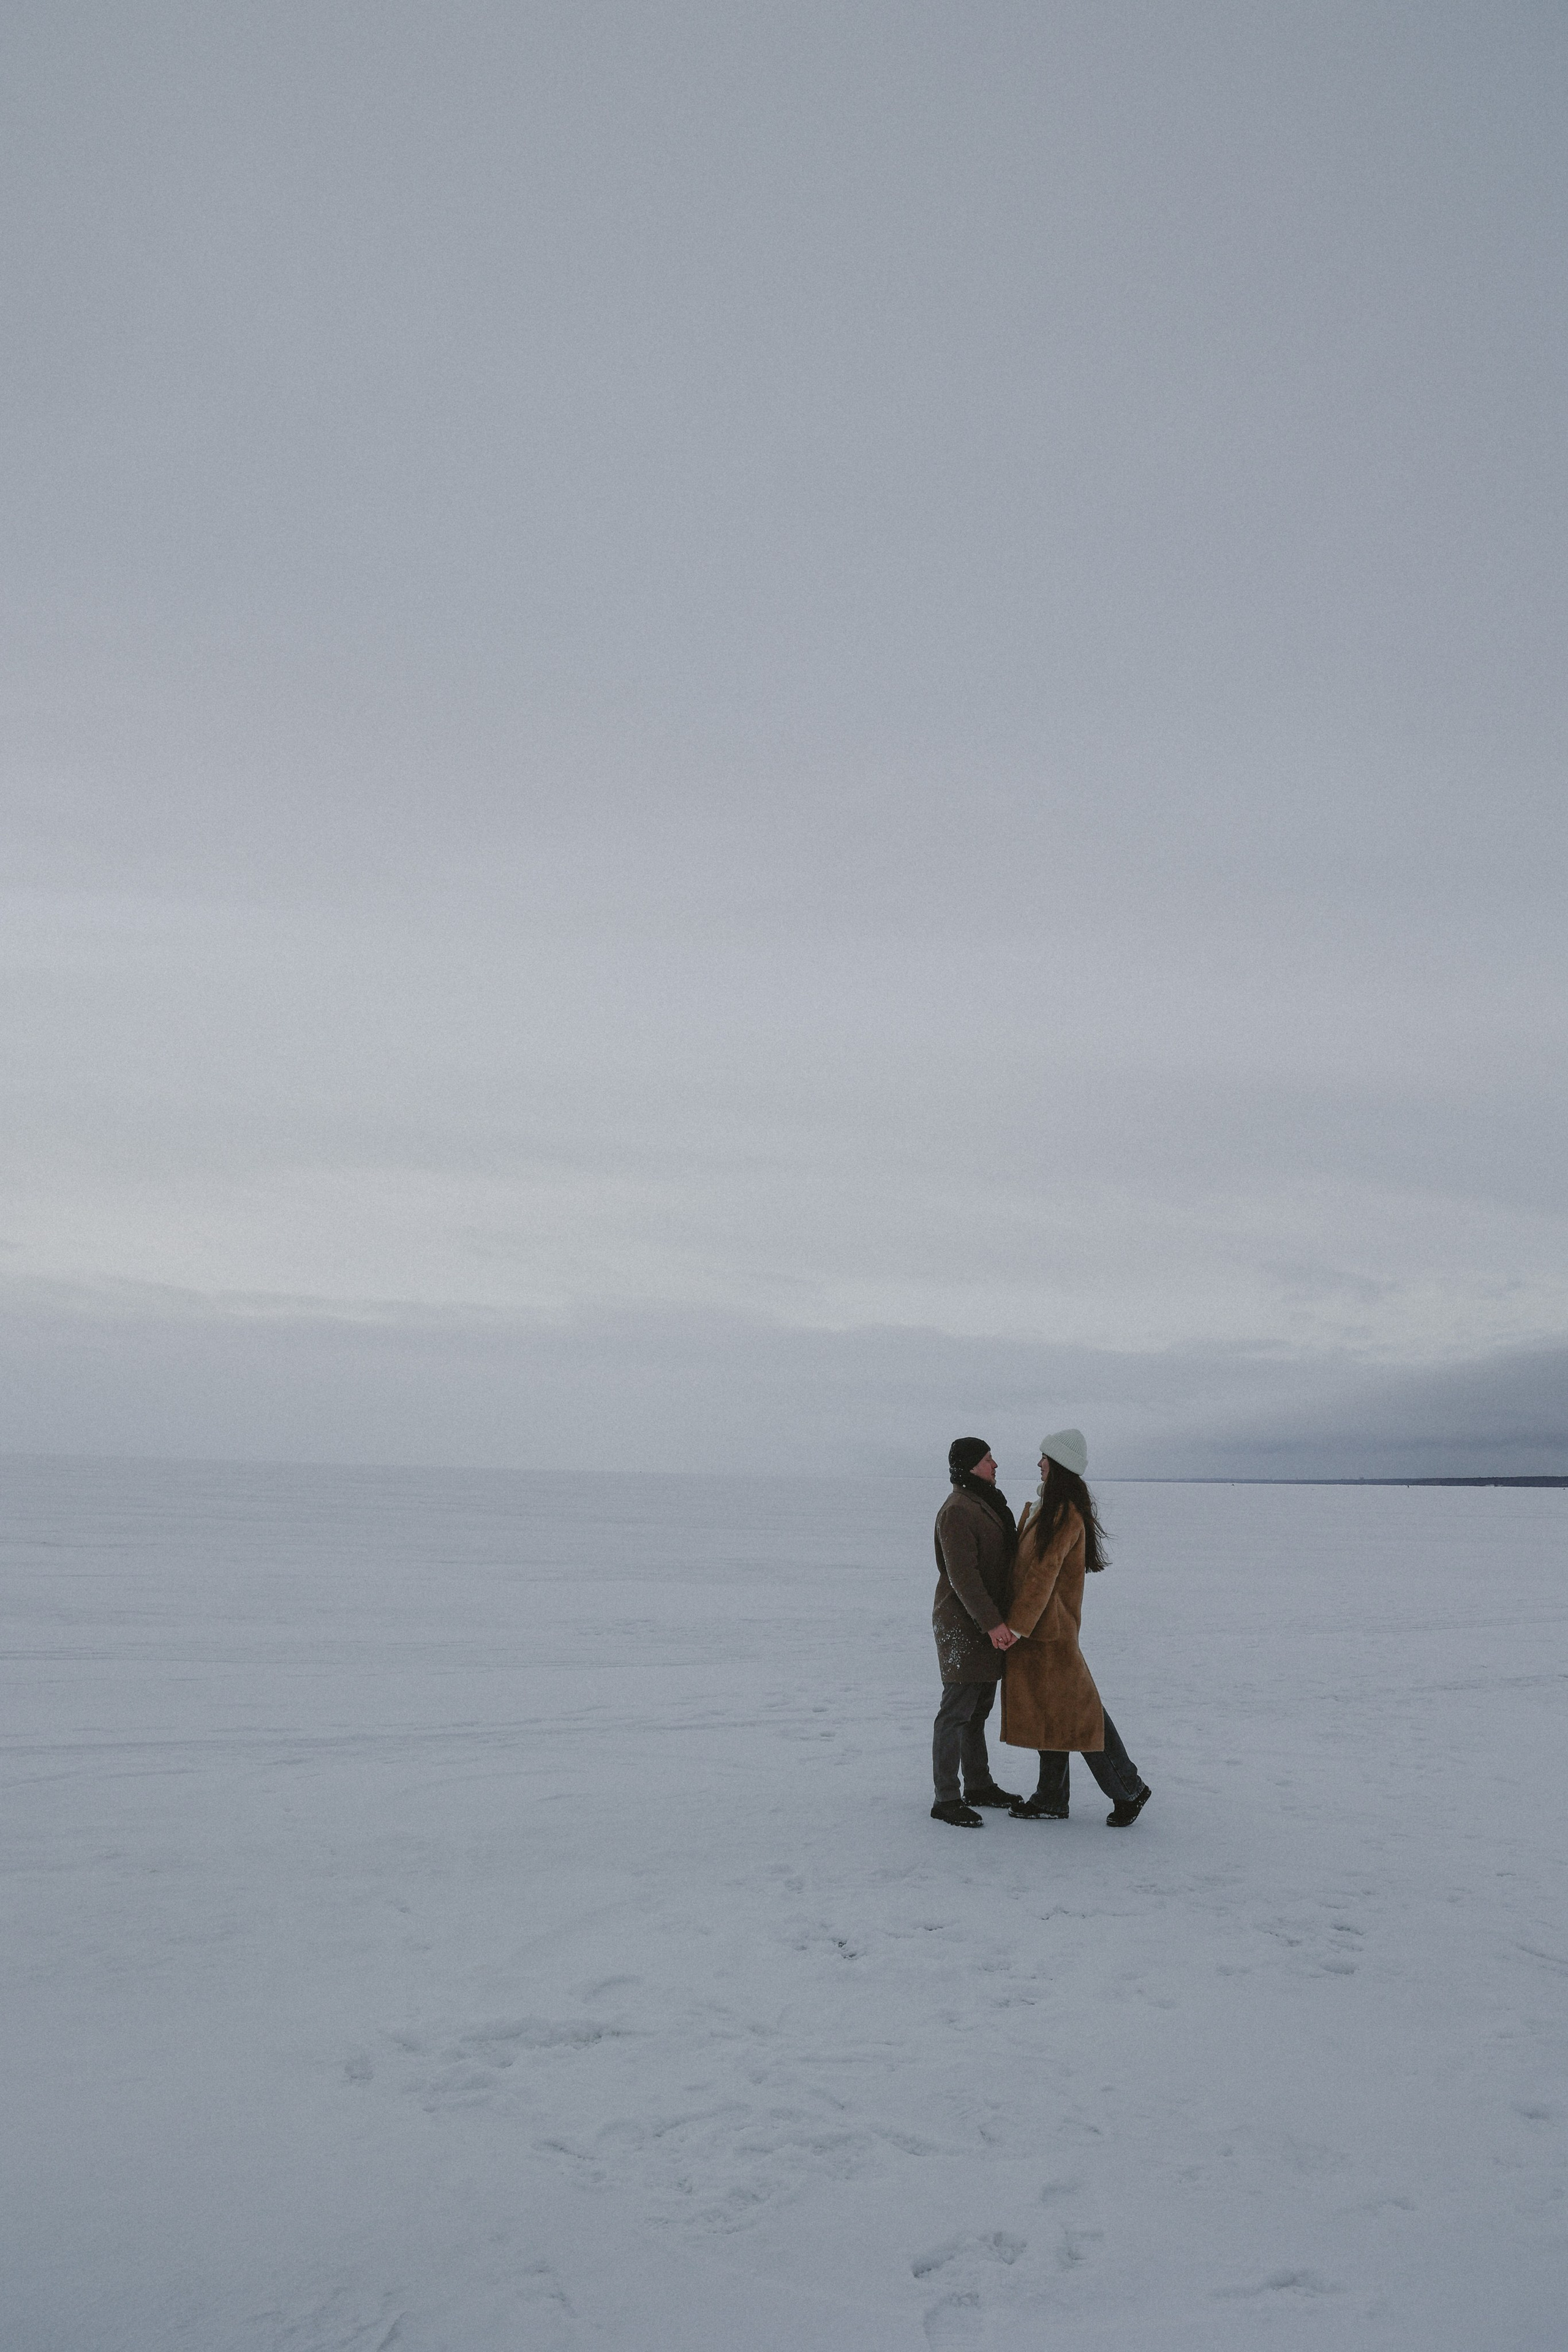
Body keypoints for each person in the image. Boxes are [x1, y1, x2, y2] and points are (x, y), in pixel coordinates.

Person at [1000, 1428, 1152, 1826]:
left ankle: (1130, 1790)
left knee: (1081, 1716)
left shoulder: (1064, 1514)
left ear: (1060, 1464)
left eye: (1044, 1458)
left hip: (1052, 1635)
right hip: (1041, 1636)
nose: (1038, 1463)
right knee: (1055, 1715)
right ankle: (1051, 1798)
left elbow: (1043, 1576)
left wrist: (1015, 1627)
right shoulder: (1044, 1509)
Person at [930, 1437, 1022, 1826]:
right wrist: (993, 1624)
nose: (995, 1464)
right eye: (988, 1460)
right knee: (956, 1712)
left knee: (978, 1710)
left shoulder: (982, 1503)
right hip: (965, 1626)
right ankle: (946, 1799)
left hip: (985, 1626)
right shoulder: (957, 1510)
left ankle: (979, 1785)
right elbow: (963, 1577)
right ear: (970, 1467)